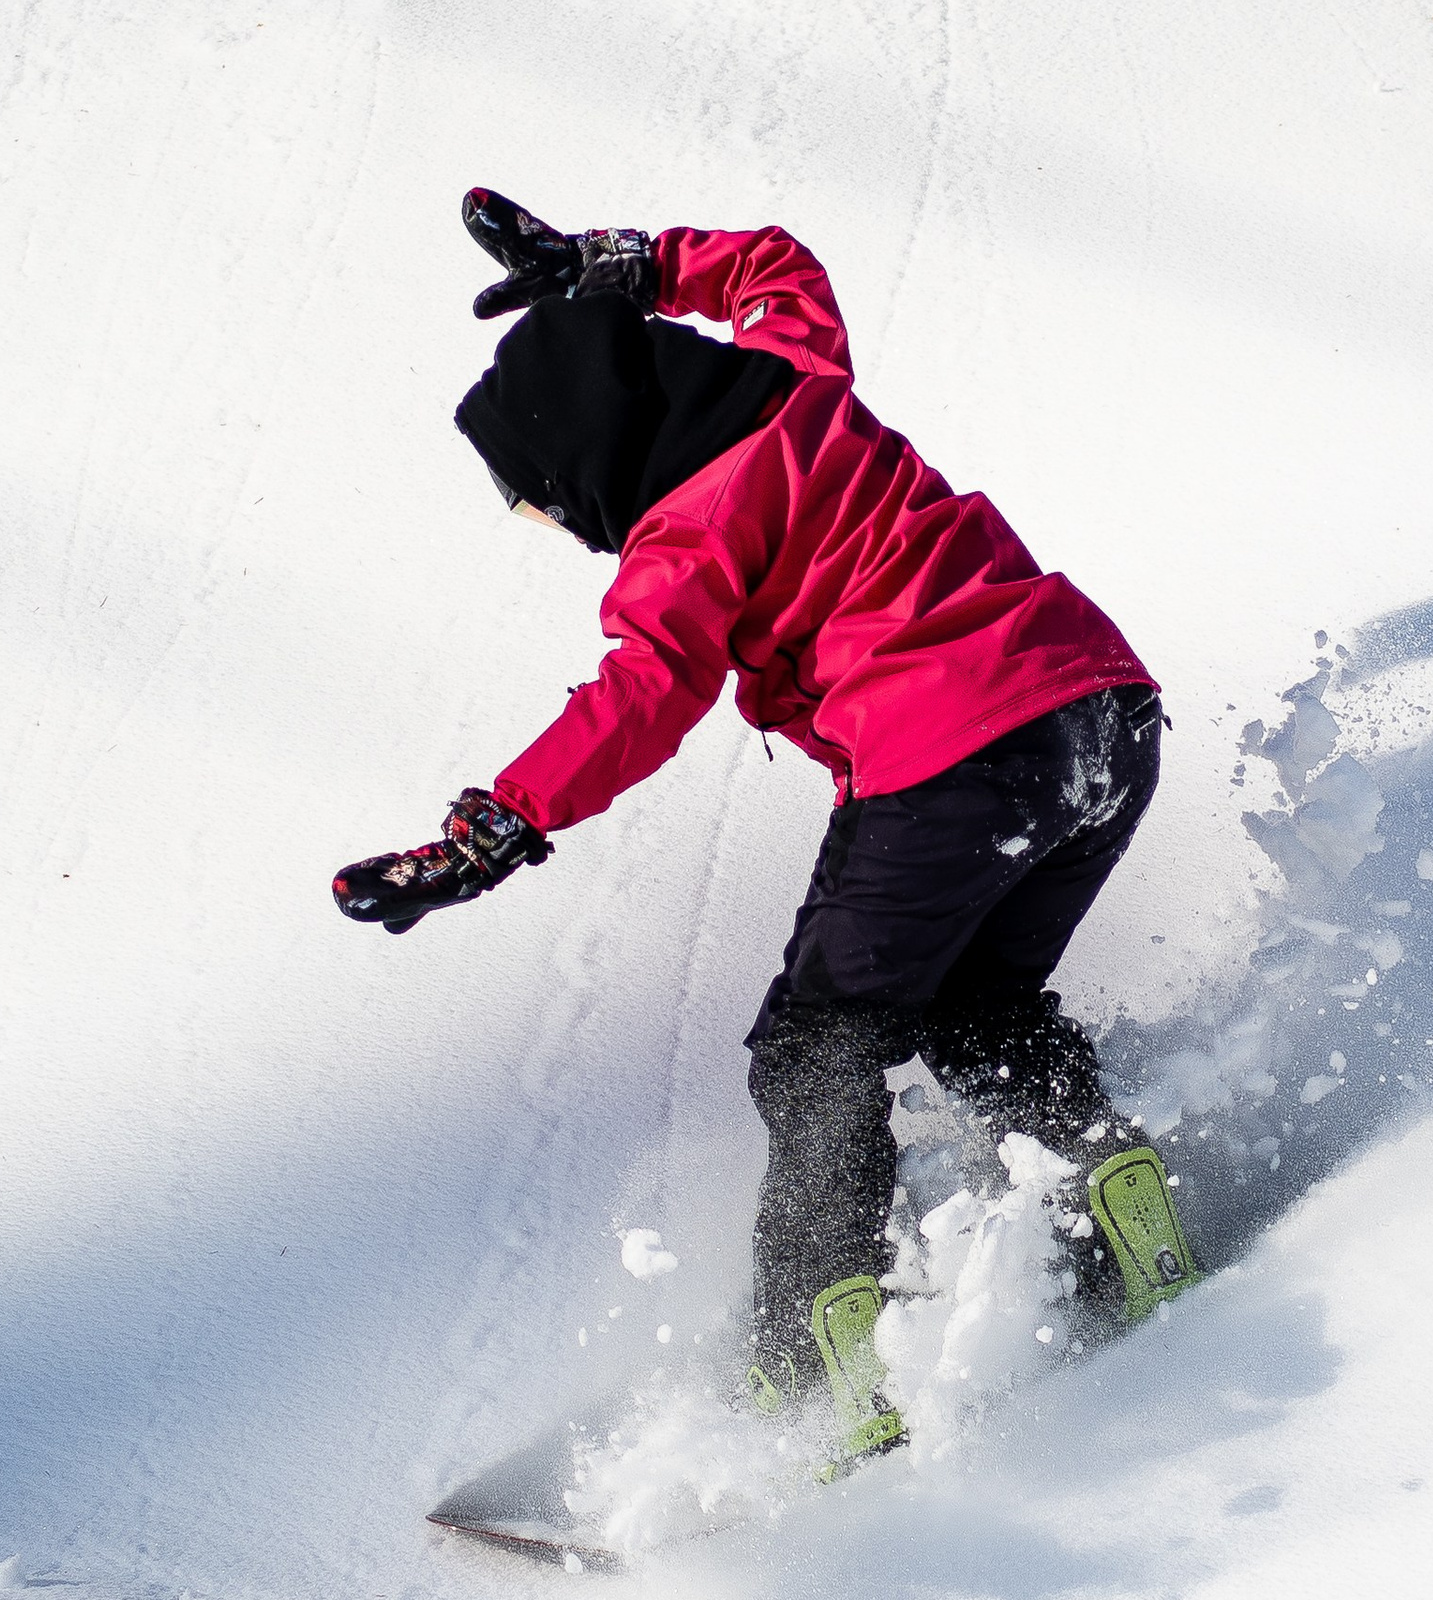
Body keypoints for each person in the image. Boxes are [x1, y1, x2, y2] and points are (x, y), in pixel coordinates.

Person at [333, 193, 1200, 1463]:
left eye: (543, 504)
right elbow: (777, 265)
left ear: (585, 458)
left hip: (947, 756)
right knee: (972, 1010)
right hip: (1102, 721)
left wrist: (489, 831)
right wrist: (614, 266)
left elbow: (639, 700)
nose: (561, 530)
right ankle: (1112, 1195)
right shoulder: (794, 377)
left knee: (813, 1050)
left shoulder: (682, 543)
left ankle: (816, 1366)